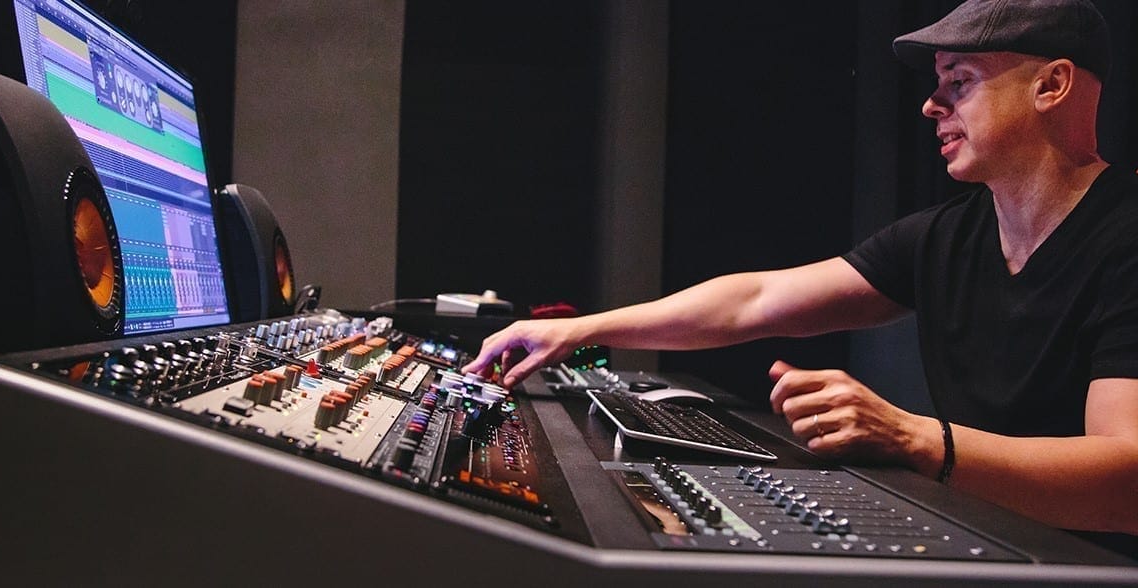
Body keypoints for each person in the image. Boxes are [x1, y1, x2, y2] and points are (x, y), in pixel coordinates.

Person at [462, 0, 1138, 544]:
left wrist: (912, 438)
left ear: (1052, 84)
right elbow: (756, 300)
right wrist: (581, 329)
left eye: (959, 82)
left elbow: (1126, 483)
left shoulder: (1125, 238)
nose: (931, 106)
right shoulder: (946, 236)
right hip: (991, 544)